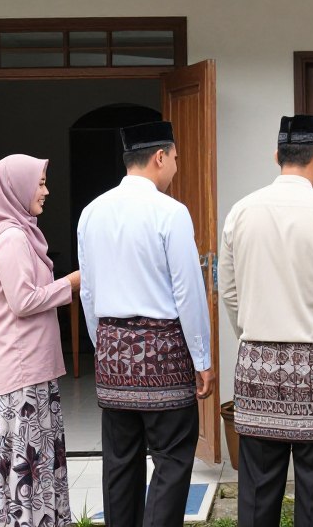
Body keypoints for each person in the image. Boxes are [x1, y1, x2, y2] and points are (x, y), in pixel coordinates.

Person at [219, 115, 313, 527]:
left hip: (257, 364)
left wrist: (253, 332)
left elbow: (229, 294)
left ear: (276, 156)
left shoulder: (241, 212)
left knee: (256, 487)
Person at [77, 121, 214, 527]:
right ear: (159, 157)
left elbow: (88, 292)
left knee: (120, 460)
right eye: (174, 158)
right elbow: (189, 291)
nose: (175, 166)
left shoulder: (91, 211)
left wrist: (104, 348)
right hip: (164, 354)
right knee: (172, 457)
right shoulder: (170, 212)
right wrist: (202, 358)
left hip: (113, 352)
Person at [0, 154, 80, 527]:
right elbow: (24, 300)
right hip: (21, 371)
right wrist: (72, 283)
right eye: (40, 182)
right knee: (27, 460)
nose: (45, 191)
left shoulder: (16, 232)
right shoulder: (12, 238)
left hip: (24, 366)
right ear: (15, 188)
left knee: (29, 457)